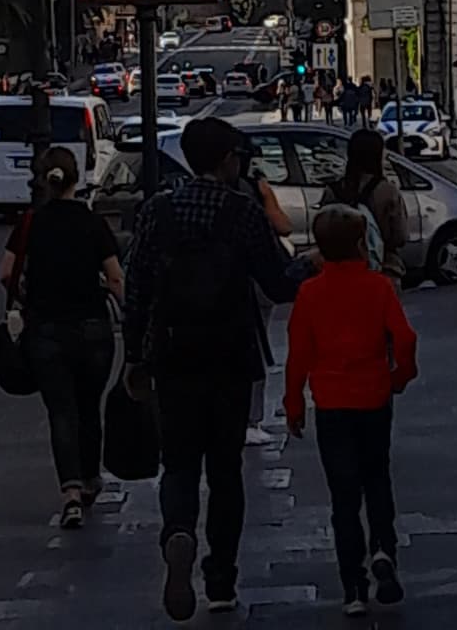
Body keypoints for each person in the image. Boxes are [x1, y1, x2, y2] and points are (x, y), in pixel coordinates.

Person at [123, 117, 310, 621]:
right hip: (229, 356)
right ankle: (221, 579)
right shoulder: (242, 211)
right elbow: (275, 283)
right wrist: (313, 265)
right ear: (226, 159)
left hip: (173, 354)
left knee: (179, 462)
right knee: (226, 472)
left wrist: (136, 356)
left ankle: (178, 530)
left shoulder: (159, 211)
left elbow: (137, 287)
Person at [285, 204, 417, 615]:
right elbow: (405, 338)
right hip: (373, 395)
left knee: (343, 495)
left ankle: (353, 588)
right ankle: (384, 549)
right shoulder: (378, 288)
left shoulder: (309, 294)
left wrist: (294, 403)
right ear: (362, 243)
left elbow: (298, 354)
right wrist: (400, 376)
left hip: (331, 402)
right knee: (377, 476)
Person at [0, 147, 123, 529]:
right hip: (92, 328)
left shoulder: (31, 222)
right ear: (76, 178)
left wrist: (25, 297)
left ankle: (69, 492)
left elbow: (5, 273)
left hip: (47, 330)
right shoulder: (92, 222)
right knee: (89, 407)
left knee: (61, 411)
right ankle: (90, 479)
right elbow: (115, 277)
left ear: (43, 181)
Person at [237, 142, 295, 448]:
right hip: (253, 282)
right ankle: (250, 419)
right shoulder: (253, 190)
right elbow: (282, 225)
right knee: (256, 348)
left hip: (216, 288)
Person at [320, 128, 409, 292]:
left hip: (340, 275)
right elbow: (400, 236)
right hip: (384, 270)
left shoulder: (333, 191)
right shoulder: (388, 191)